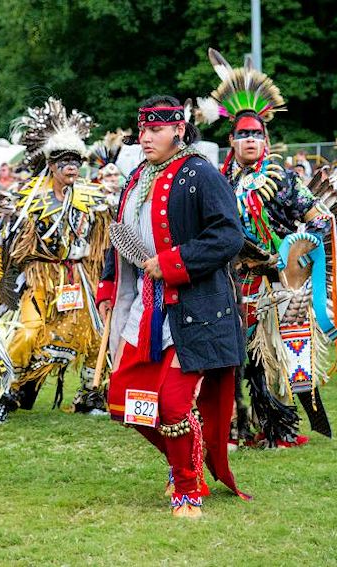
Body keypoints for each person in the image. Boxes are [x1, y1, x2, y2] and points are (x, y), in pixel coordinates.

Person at [96, 93, 249, 518]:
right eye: (142, 130)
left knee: (174, 404)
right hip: (145, 309)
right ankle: (185, 459)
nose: (145, 138)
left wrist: (172, 263)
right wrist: (110, 286)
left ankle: (187, 487)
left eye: (156, 130)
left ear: (179, 130)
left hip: (193, 308)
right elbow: (123, 238)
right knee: (125, 401)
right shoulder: (136, 177)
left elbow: (228, 235)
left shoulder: (200, 174)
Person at [196, 48, 337, 448]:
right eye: (242, 134)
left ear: (265, 139)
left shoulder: (281, 178)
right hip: (233, 281)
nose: (250, 140)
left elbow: (319, 217)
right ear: (230, 140)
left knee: (277, 358)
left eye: (257, 134)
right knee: (235, 356)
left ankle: (278, 426)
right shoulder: (218, 180)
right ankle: (235, 425)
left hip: (277, 283)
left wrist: (302, 254)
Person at [0, 97, 112, 424]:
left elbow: (105, 240)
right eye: (64, 160)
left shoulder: (93, 198)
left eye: (76, 159)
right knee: (29, 331)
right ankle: (9, 390)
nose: (72, 166)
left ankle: (92, 393)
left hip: (80, 278)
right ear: (51, 164)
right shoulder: (30, 199)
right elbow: (5, 242)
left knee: (94, 334)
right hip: (42, 278)